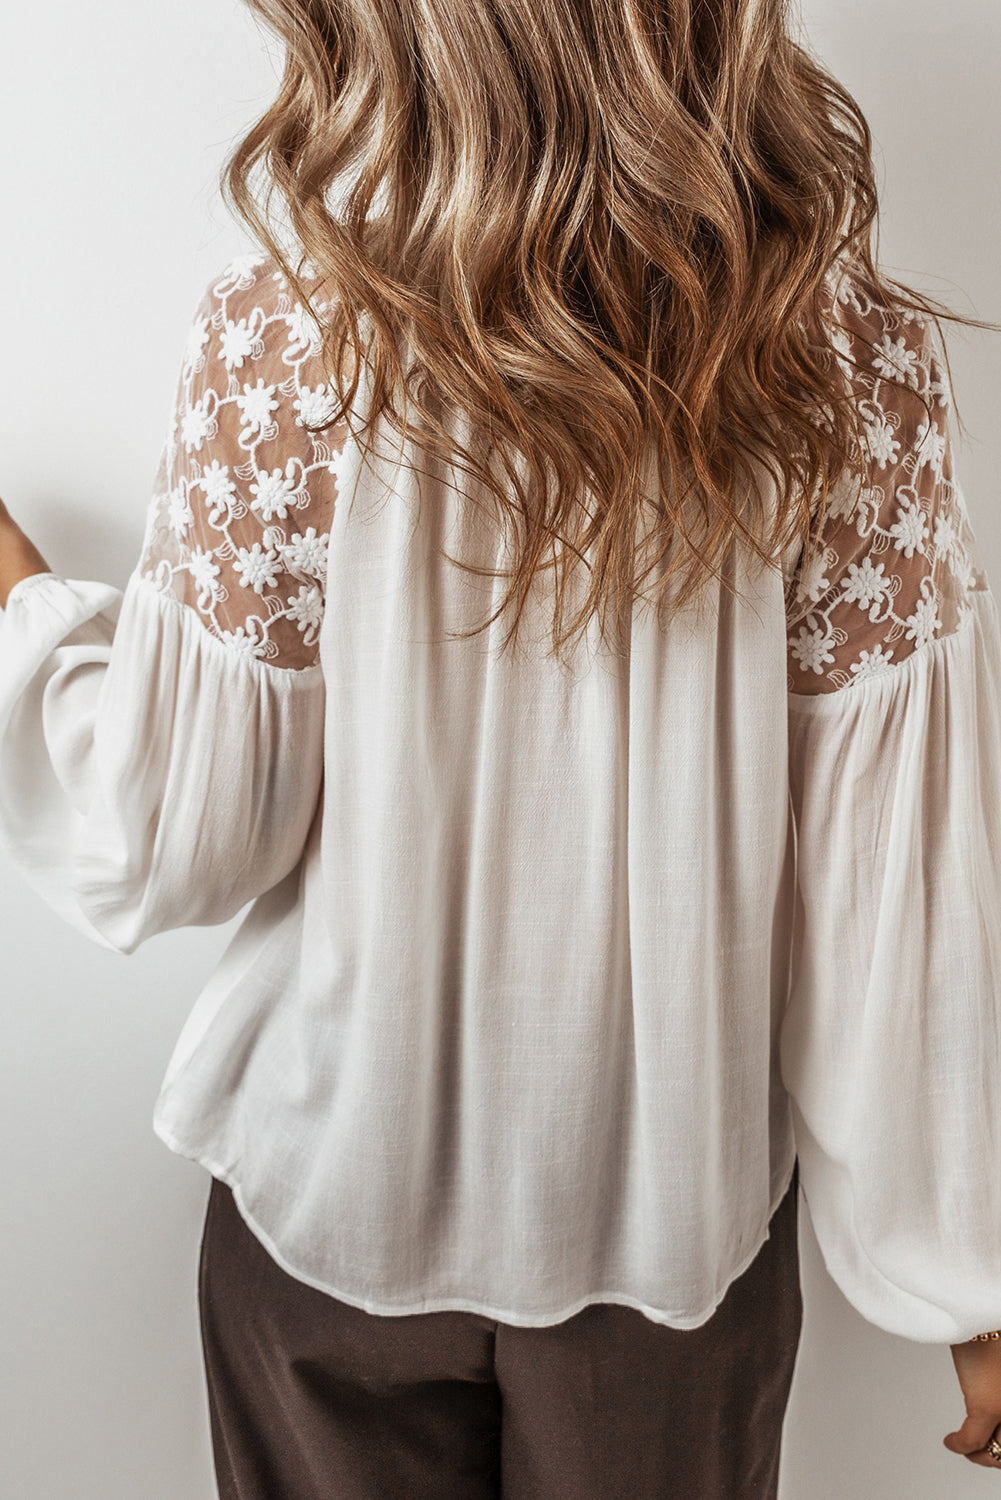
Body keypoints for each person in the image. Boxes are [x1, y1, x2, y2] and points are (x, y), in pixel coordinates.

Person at [2, 0, 1001, 1493]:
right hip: (671, 1243)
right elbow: (891, 894)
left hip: (326, 1205)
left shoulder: (288, 330)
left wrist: (22, 609)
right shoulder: (842, 353)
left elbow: (175, 828)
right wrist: (967, 1283)